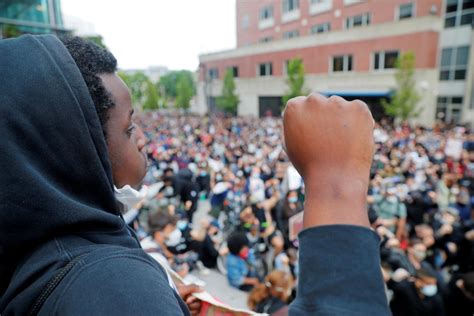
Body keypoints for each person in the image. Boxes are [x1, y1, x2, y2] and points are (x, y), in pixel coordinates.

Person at [0, 35, 390, 315]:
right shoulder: (107, 286)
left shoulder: (63, 260)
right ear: (75, 152)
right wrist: (336, 182)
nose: (142, 140)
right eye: (128, 128)